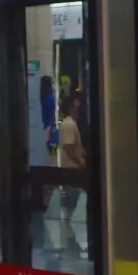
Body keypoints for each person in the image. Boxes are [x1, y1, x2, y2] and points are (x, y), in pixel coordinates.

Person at [57, 93, 87, 254]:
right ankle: (69, 242)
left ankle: (70, 241)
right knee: (70, 205)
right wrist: (80, 162)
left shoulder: (71, 124)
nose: (79, 107)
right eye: (76, 104)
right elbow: (69, 148)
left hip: (73, 171)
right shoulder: (69, 125)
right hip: (72, 171)